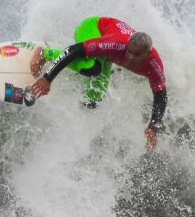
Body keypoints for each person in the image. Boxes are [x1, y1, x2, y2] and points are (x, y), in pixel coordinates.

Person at [29, 16, 167, 150]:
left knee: (92, 101)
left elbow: (161, 95)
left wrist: (153, 128)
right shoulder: (117, 44)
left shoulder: (154, 66)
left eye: (136, 55)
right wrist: (47, 78)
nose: (129, 57)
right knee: (92, 69)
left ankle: (75, 72)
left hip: (107, 55)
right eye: (129, 51)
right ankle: (45, 53)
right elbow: (73, 50)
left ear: (147, 54)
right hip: (92, 28)